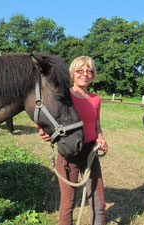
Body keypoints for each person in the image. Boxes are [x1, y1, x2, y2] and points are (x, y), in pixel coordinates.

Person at [35, 56, 108, 225]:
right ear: (72, 74)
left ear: (93, 74)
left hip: (90, 152)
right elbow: (44, 117)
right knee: (68, 203)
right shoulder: (63, 95)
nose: (85, 74)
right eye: (80, 70)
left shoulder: (96, 99)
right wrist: (43, 131)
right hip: (68, 152)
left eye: (89, 70)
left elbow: (97, 126)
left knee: (99, 203)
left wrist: (101, 138)